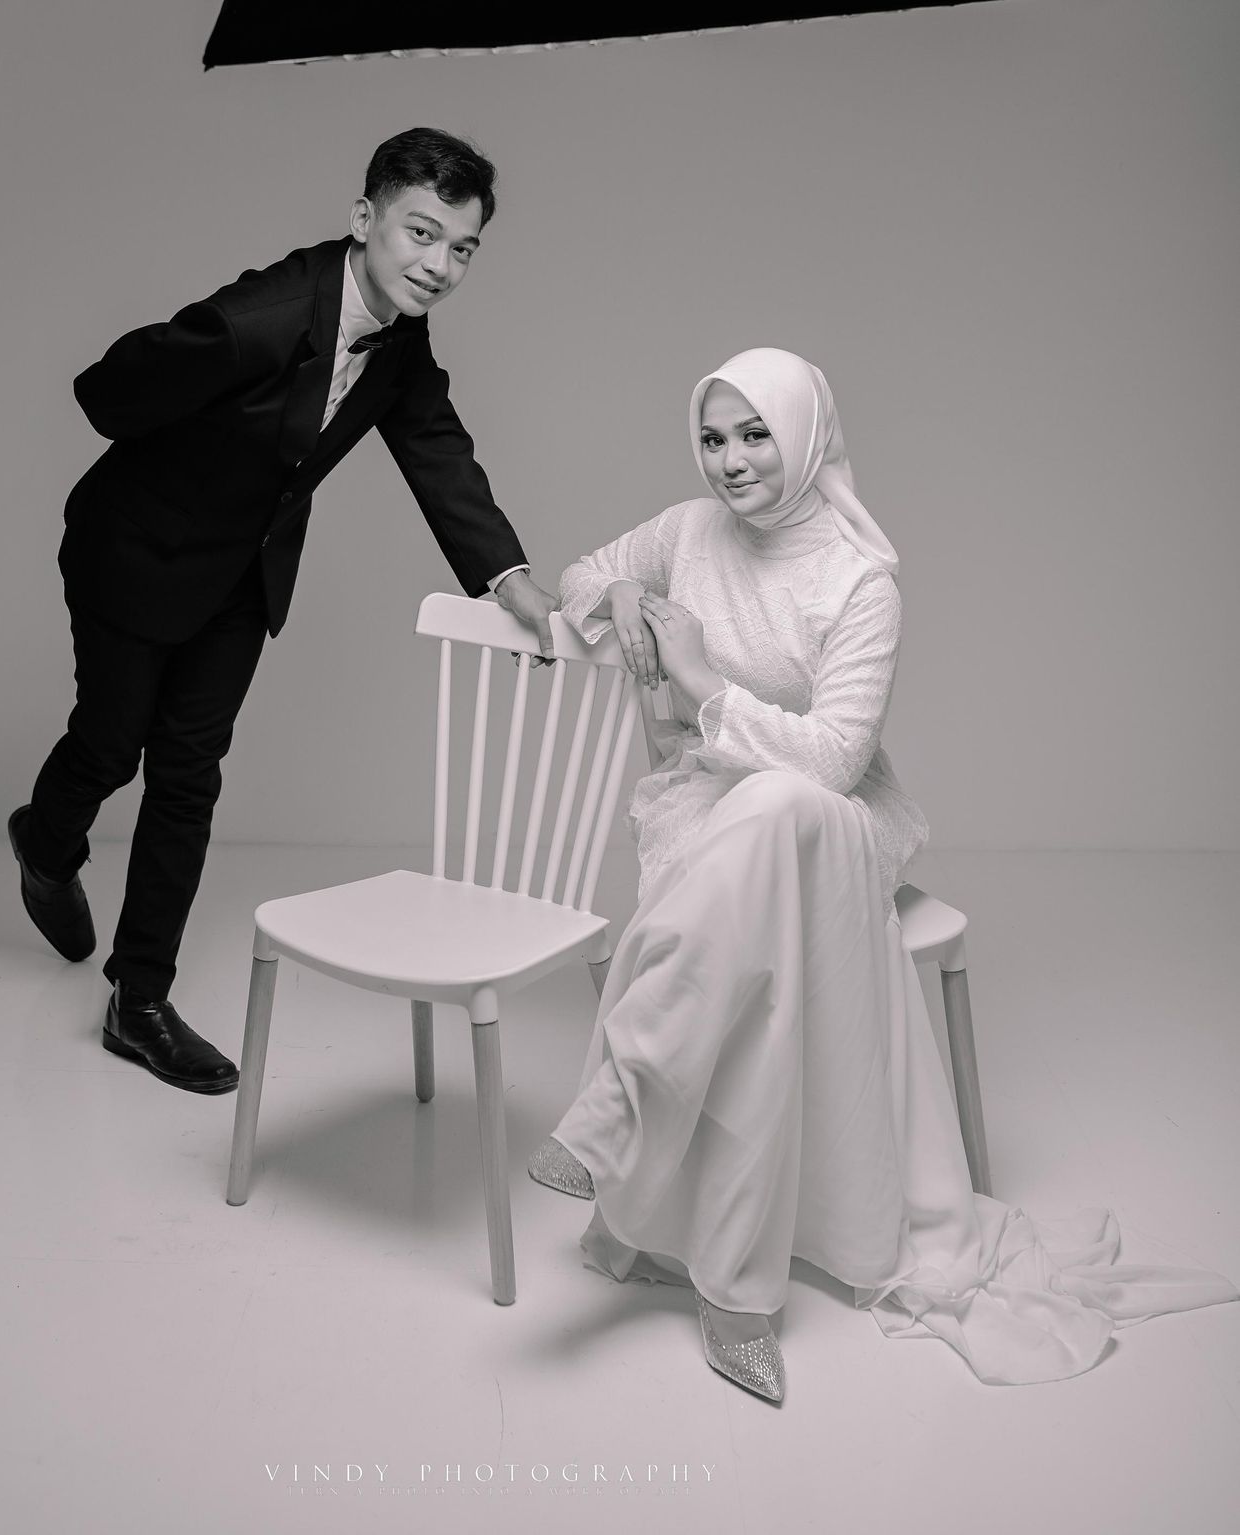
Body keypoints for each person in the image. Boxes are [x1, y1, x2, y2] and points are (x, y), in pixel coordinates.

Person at [528, 348, 1235, 1400]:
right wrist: (627, 588)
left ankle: (630, 1110)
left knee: (779, 808)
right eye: (713, 437)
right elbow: (580, 579)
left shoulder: (861, 578)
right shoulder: (687, 530)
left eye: (756, 434)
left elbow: (832, 761)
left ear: (806, 433)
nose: (730, 460)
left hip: (835, 819)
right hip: (704, 813)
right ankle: (729, 1286)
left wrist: (700, 679)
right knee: (761, 942)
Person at [9, 127, 557, 1093]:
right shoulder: (256, 321)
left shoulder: (399, 338)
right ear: (364, 218)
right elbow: (106, 391)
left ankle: (138, 1000)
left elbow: (436, 446)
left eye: (462, 247)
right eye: (421, 233)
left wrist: (507, 579)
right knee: (111, 743)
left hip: (240, 572)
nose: (439, 265)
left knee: (188, 774)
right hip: (134, 552)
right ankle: (44, 840)